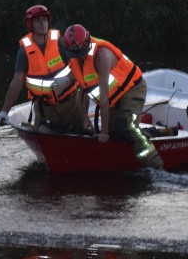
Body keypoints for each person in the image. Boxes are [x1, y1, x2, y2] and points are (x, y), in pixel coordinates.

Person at [62, 24, 164, 170]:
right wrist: (85, 119)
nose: (79, 57)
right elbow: (84, 90)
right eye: (76, 55)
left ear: (87, 43)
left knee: (127, 128)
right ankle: (154, 133)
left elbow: (103, 98)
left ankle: (156, 166)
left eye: (81, 53)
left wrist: (104, 132)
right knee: (116, 133)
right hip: (113, 100)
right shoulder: (76, 59)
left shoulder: (101, 55)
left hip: (132, 90)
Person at [0, 5, 83, 131]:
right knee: (43, 133)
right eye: (38, 20)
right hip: (44, 108)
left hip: (71, 103)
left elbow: (78, 67)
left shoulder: (60, 43)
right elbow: (17, 82)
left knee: (81, 133)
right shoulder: (24, 52)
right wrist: (4, 111)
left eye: (45, 20)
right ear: (30, 24)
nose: (42, 23)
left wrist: (67, 79)